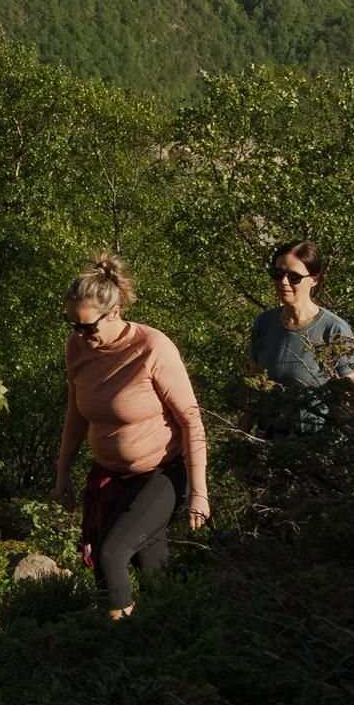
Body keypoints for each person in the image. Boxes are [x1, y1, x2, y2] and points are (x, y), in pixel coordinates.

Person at [56, 253, 208, 620]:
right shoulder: (77, 348)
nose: (81, 335)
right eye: (72, 325)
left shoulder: (152, 348)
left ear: (114, 313)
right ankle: (175, 632)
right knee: (152, 569)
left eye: (87, 327)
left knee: (110, 554)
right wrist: (63, 471)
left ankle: (117, 641)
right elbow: (76, 413)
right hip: (109, 476)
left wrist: (199, 492)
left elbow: (191, 420)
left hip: (161, 473)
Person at [247, 238, 354, 437]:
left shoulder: (334, 330)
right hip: (267, 441)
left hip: (314, 445)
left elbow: (348, 402)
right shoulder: (264, 323)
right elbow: (254, 390)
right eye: (278, 274)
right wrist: (242, 438)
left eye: (294, 277)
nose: (283, 282)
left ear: (314, 280)